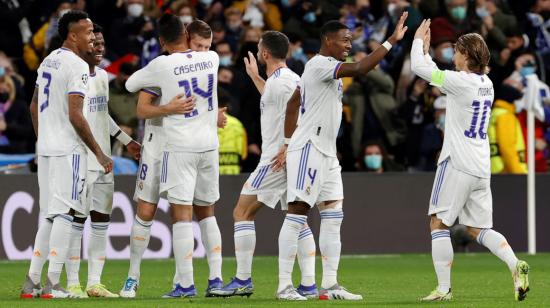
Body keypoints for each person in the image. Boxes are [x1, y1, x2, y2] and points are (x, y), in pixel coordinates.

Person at [271, 13, 409, 301]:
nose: (349, 44)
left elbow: (294, 103)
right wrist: (392, 41)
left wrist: (285, 142)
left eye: (351, 40)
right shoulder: (320, 64)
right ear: (327, 40)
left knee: (333, 217)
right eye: (344, 40)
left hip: (327, 153)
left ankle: (330, 286)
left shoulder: (323, 69)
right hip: (308, 149)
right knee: (297, 213)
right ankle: (284, 286)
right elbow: (360, 68)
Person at [411, 20, 530, 301]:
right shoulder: (486, 84)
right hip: (480, 166)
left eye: (456, 51)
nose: (453, 55)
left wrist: (418, 42)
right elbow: (439, 78)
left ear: (465, 55)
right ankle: (516, 265)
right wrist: (429, 54)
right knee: (478, 228)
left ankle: (443, 289)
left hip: (456, 163)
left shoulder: (459, 81)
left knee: (438, 223)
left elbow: (420, 69)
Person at [120, 19, 225, 299]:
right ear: (187, 36)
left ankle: (186, 281)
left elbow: (202, 99)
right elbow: (142, 110)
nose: (203, 49)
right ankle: (133, 277)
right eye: (199, 44)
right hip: (158, 146)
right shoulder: (163, 66)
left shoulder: (174, 65)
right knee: (146, 211)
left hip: (181, 146)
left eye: (206, 46)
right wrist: (168, 108)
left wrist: (212, 114)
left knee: (189, 213)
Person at [211, 31, 317, 299]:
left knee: (241, 212)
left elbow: (299, 117)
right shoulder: (285, 80)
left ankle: (243, 279)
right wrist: (255, 77)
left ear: (265, 54)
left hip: (276, 159)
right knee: (297, 219)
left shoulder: (281, 83)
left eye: (259, 49)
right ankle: (309, 283)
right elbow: (276, 103)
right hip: (290, 156)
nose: (258, 53)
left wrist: (285, 146)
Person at [20, 10, 113, 299]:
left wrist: (43, 138)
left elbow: (34, 106)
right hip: (68, 151)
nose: (92, 38)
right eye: (87, 33)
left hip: (47, 150)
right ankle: (53, 285)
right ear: (73, 35)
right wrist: (98, 152)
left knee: (49, 214)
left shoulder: (49, 60)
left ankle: (32, 282)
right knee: (65, 214)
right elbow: (76, 114)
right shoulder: (77, 66)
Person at [62, 23, 141, 299]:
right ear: (82, 44)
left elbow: (100, 117)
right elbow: (75, 118)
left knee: (101, 219)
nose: (100, 48)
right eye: (94, 43)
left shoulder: (102, 77)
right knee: (76, 219)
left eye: (102, 43)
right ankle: (72, 283)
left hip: (104, 159)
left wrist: (126, 140)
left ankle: (94, 282)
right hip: (83, 159)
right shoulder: (74, 76)